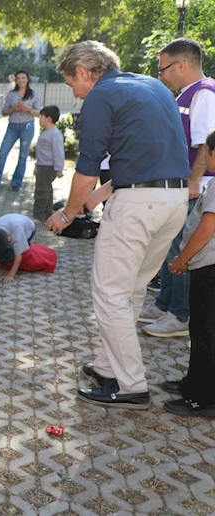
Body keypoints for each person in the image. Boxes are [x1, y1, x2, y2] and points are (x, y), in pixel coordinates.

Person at [46, 41, 190, 410]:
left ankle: (130, 386)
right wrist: (96, 198)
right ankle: (108, 366)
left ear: (83, 72)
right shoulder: (154, 87)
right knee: (130, 291)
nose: (74, 93)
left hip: (137, 207)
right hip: (173, 200)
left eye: (71, 83)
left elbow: (87, 168)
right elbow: (148, 156)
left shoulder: (100, 96)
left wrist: (67, 213)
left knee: (109, 294)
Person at [139, 38, 215, 339]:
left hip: (196, 188)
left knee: (184, 247)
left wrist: (193, 183)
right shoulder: (187, 94)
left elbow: (204, 144)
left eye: (163, 68)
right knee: (172, 243)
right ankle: (165, 303)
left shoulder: (205, 94)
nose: (161, 75)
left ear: (181, 65)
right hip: (181, 185)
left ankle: (180, 314)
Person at [163, 130, 215, 417]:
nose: (203, 158)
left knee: (206, 333)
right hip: (206, 266)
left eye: (205, 151)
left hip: (209, 267)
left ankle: (204, 398)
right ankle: (193, 383)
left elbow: (207, 229)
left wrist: (183, 258)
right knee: (200, 330)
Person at [0, 70, 42, 191]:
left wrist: (27, 109)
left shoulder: (34, 94)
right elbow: (4, 112)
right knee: (2, 154)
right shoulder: (11, 94)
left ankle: (16, 183)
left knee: (22, 156)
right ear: (15, 81)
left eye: (23, 78)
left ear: (27, 79)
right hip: (12, 126)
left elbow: (39, 114)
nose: (21, 80)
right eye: (18, 79)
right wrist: (14, 109)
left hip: (27, 126)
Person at [33, 106, 65, 222]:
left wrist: (59, 168)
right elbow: (41, 152)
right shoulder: (45, 133)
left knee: (41, 191)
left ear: (48, 118)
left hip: (48, 167)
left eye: (41, 116)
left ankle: (38, 215)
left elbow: (58, 152)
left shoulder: (55, 134)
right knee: (47, 190)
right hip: (42, 166)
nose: (39, 119)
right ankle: (47, 213)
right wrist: (37, 165)